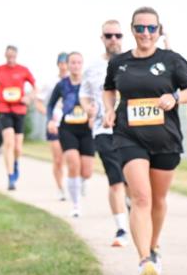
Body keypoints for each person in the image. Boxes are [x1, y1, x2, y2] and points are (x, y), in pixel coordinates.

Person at [103, 7, 187, 275]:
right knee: (141, 198)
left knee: (157, 200)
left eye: (151, 28)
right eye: (140, 28)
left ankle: (153, 246)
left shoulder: (172, 60)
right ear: (132, 30)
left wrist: (175, 97)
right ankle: (144, 259)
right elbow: (109, 89)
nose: (146, 33)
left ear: (159, 30)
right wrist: (109, 110)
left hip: (165, 139)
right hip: (128, 136)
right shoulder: (119, 62)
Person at [80, 19, 130, 247]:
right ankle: (121, 228)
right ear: (102, 39)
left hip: (132, 131)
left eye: (117, 35)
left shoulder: (133, 62)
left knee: (131, 181)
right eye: (109, 35)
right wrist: (88, 107)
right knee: (116, 180)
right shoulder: (92, 68)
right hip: (103, 129)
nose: (113, 39)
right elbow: (84, 94)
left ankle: (131, 207)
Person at [47, 52, 95, 217]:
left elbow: (98, 101)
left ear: (82, 64)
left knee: (87, 171)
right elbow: (50, 105)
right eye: (72, 63)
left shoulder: (89, 83)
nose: (75, 66)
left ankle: (81, 182)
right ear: (67, 65)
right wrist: (50, 121)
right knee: (73, 163)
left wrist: (94, 116)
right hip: (68, 128)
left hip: (86, 128)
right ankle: (75, 205)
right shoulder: (62, 85)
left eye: (78, 62)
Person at [0, 45, 36, 190]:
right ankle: (10, 177)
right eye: (8, 56)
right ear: (5, 55)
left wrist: (29, 97)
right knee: (8, 142)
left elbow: (35, 86)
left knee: (18, 147)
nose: (10, 58)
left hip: (19, 109)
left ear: (16, 56)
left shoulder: (23, 70)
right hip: (4, 109)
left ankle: (15, 163)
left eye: (13, 56)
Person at [35, 54, 70, 200]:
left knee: (73, 158)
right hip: (54, 124)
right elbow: (39, 102)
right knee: (58, 159)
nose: (63, 66)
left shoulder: (75, 81)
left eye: (65, 63)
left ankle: (77, 182)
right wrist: (49, 116)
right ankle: (60, 188)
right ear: (57, 65)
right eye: (61, 63)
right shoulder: (51, 82)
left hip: (71, 124)